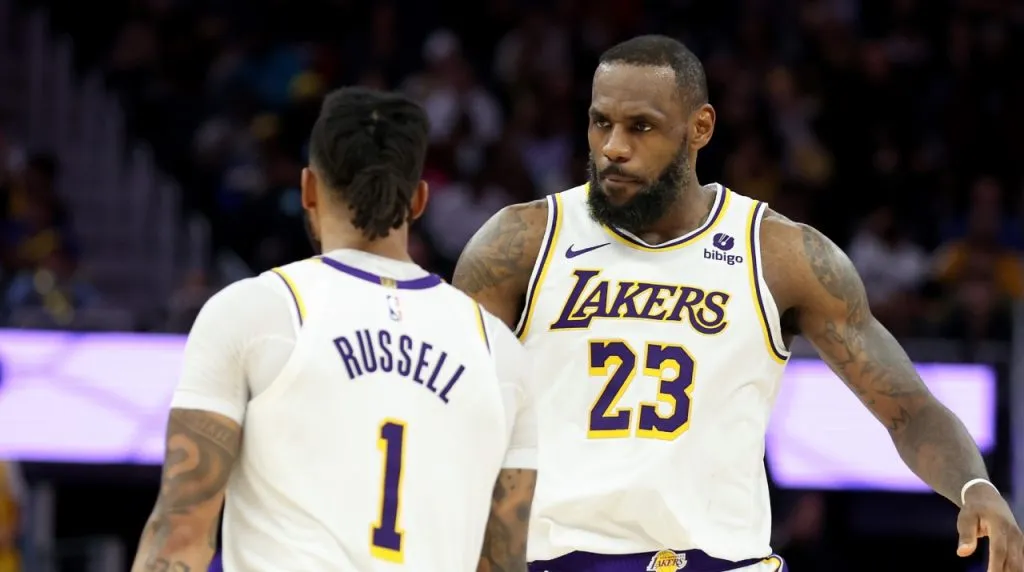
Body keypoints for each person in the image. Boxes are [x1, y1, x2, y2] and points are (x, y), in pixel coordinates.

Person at [452, 35, 1024, 572]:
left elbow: (909, 407)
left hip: (722, 559)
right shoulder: (521, 242)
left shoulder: (779, 254)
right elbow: (443, 408)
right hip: (558, 557)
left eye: (641, 127)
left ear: (699, 128)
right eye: (600, 123)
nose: (613, 148)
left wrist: (975, 488)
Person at [131, 87, 538, 572]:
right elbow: (505, 560)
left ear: (308, 188)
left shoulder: (257, 312)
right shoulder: (500, 351)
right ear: (420, 199)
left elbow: (180, 534)